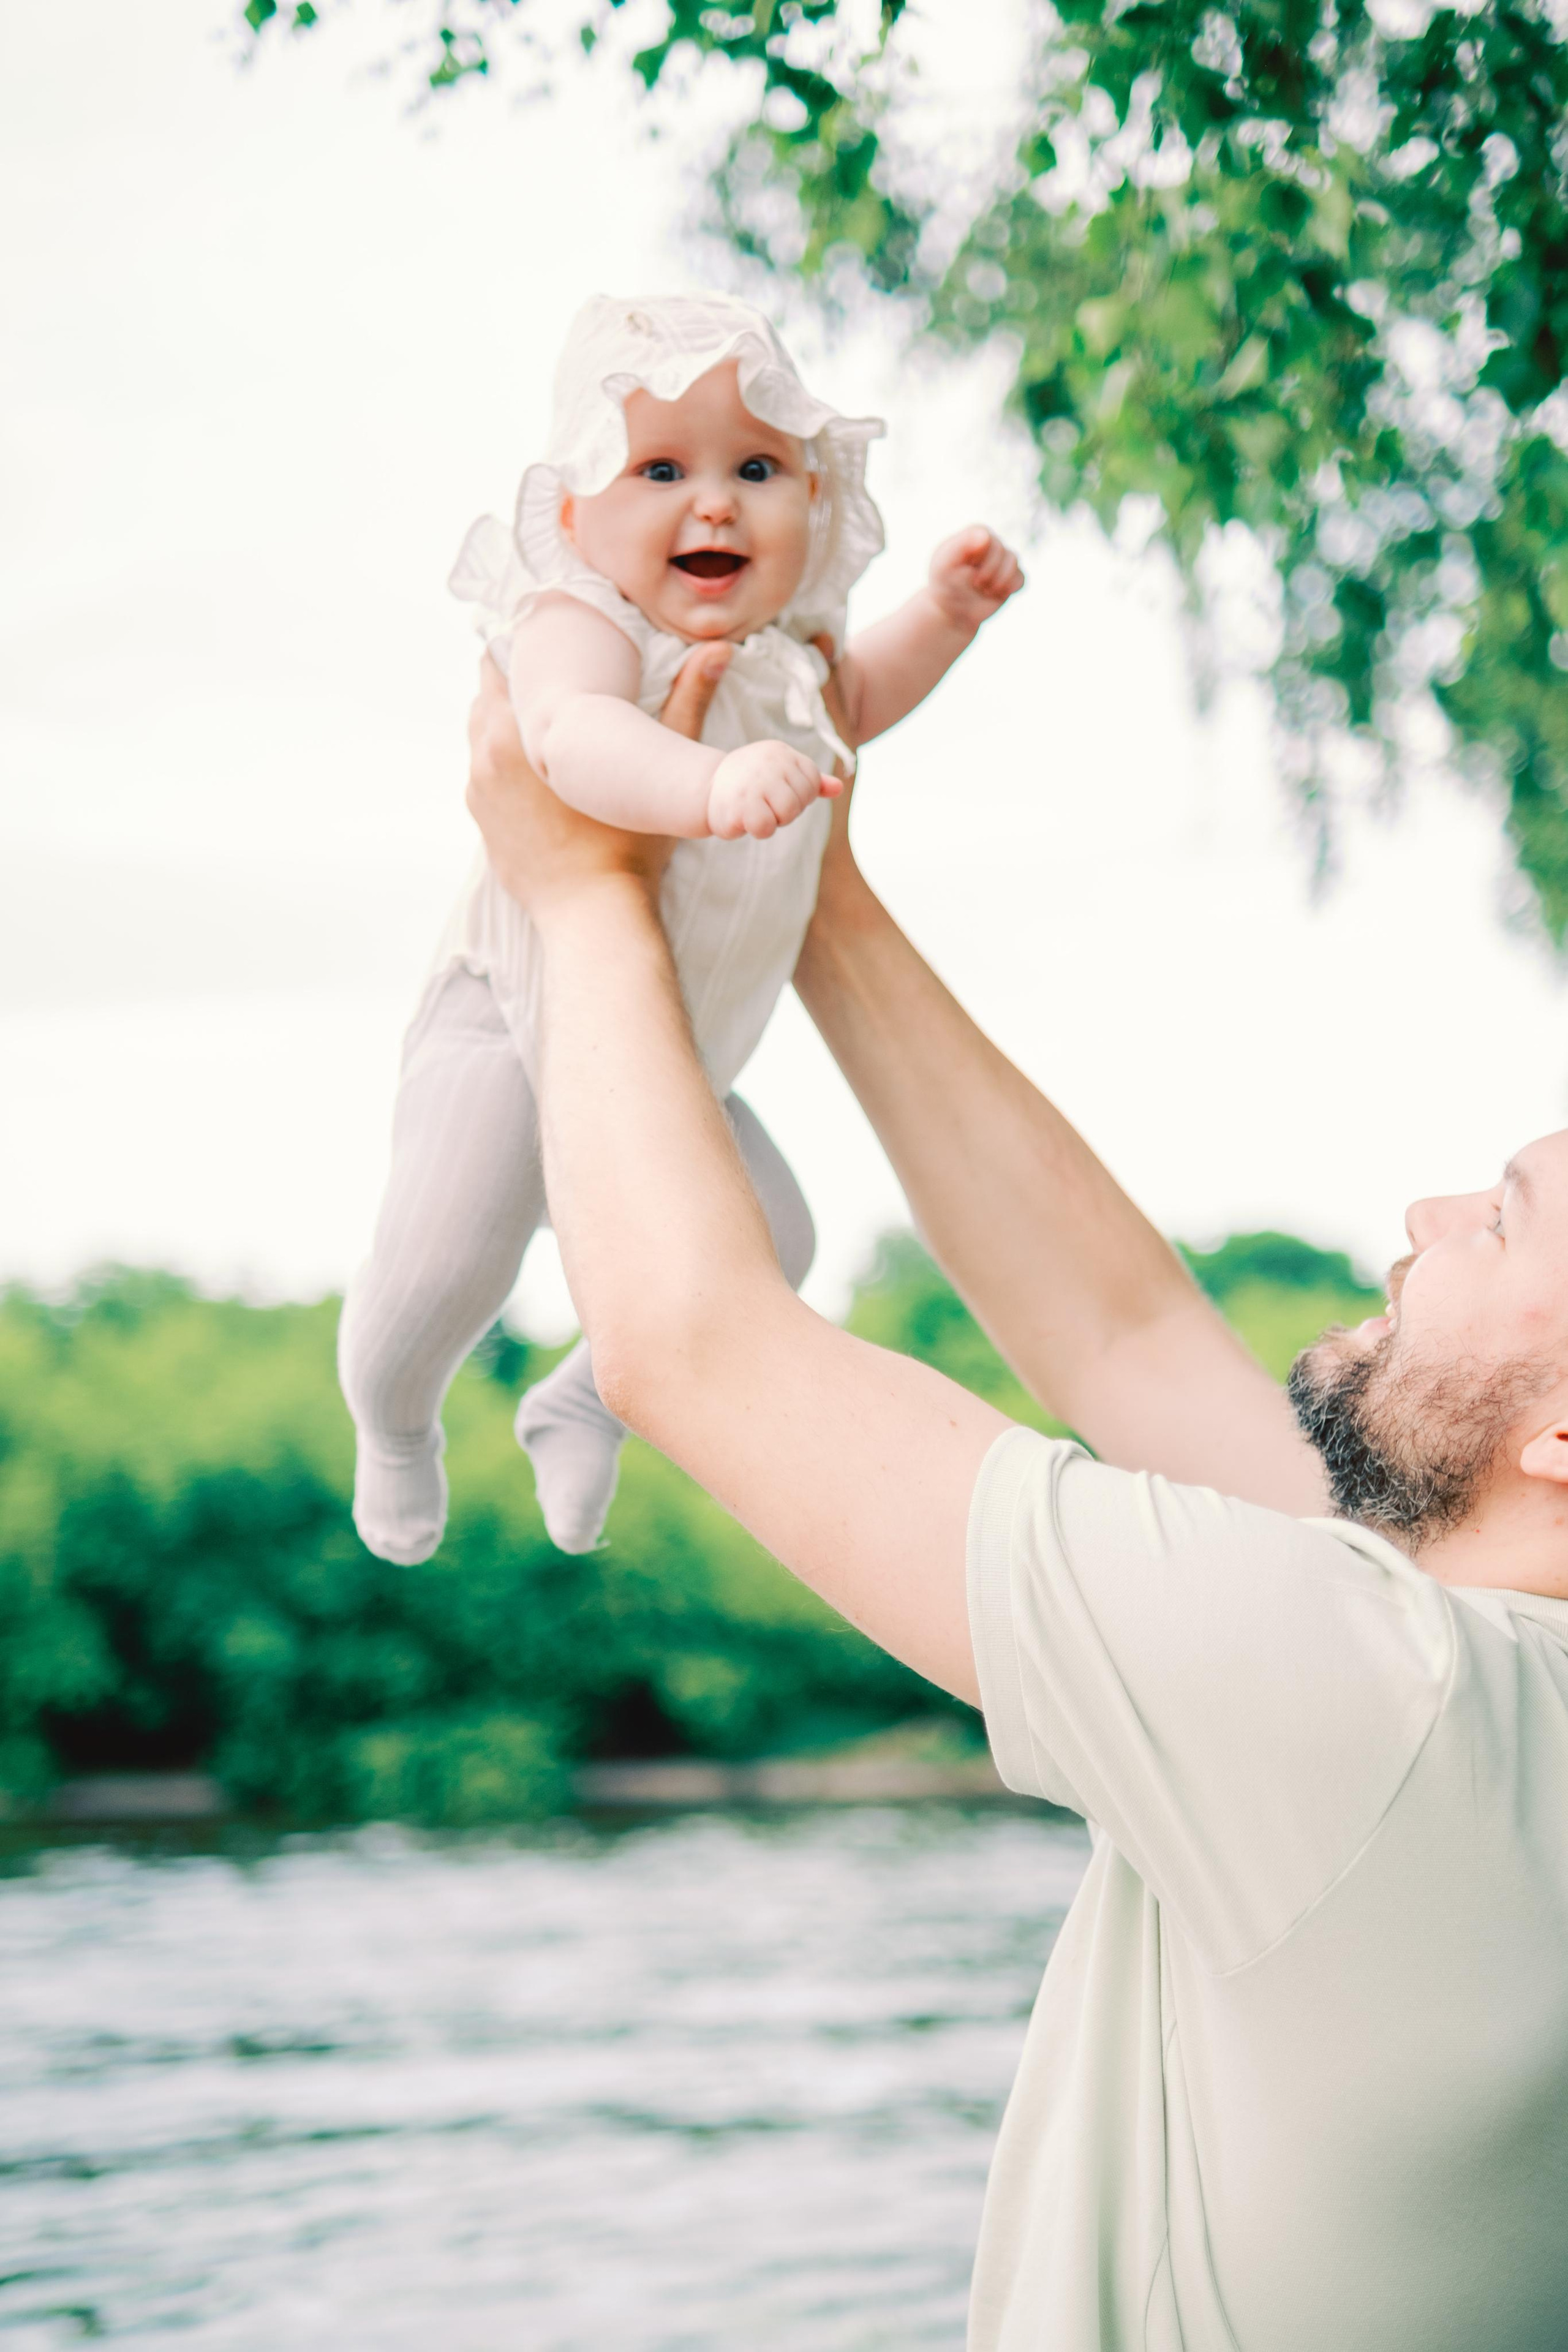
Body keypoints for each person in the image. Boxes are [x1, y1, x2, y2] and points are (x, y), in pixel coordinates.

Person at [462, 641, 1568, 2350]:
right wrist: (810, 876)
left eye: (1500, 1222)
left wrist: (575, 887)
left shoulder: (1387, 1707)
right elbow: (1121, 1333)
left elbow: (686, 1342)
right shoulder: (1480, 1706)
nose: (1424, 1215)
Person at [338, 291, 1021, 1566]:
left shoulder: (792, 656)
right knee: (442, 1267)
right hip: (509, 1025)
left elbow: (859, 699)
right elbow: (568, 740)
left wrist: (944, 616)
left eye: (756, 469)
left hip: (674, 1070)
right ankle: (391, 1423)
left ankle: (583, 1398)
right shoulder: (581, 626)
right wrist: (702, 785)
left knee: (778, 1245)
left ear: (811, 502)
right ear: (573, 514)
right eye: (660, 469)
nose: (714, 503)